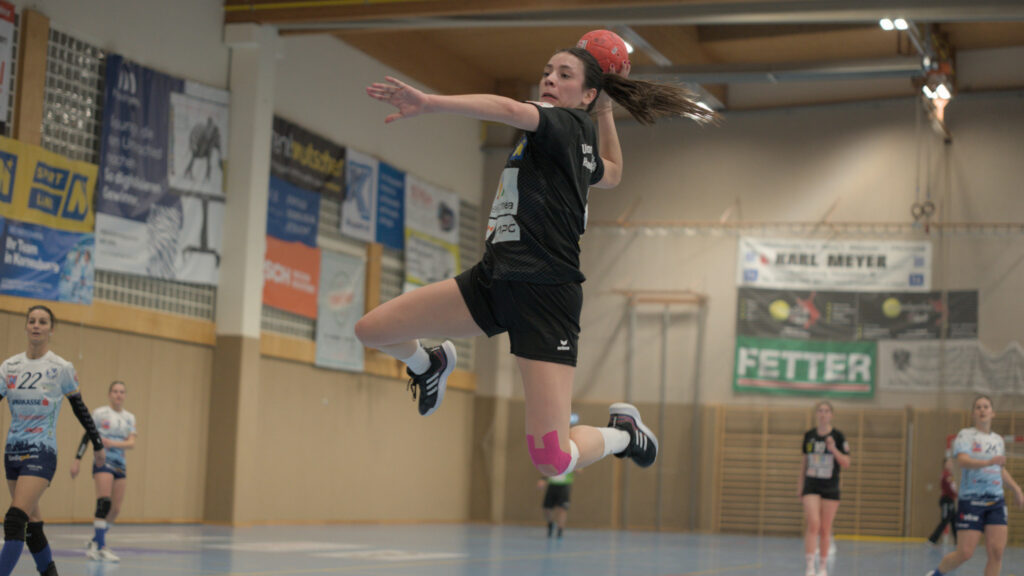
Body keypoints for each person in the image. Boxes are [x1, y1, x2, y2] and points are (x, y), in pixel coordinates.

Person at [357, 46, 715, 482]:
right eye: (547, 71)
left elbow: (508, 108)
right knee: (372, 330)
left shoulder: (562, 124)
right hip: (494, 280)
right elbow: (614, 172)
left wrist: (431, 103)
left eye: (564, 74)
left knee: (552, 460)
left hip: (546, 296)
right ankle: (428, 364)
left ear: (584, 94)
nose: (549, 79)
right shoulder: (571, 144)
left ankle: (622, 434)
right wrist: (603, 111)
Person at [0, 305, 106, 576]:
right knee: (32, 524)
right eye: (32, 321)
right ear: (26, 326)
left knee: (15, 520)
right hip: (12, 451)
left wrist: (97, 443)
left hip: (41, 452)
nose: (36, 325)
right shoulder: (10, 366)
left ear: (51, 329)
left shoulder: (60, 368)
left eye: (43, 322)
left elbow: (79, 408)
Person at [926, 395, 1024, 576]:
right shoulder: (966, 435)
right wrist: (989, 462)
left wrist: (1017, 489)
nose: (982, 410)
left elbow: (1000, 470)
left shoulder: (998, 440)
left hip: (996, 500)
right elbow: (963, 461)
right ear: (973, 413)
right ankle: (936, 573)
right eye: (978, 407)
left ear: (992, 413)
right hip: (971, 499)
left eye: (986, 407)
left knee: (996, 552)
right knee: (965, 553)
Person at [71, 380, 137, 562]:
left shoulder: (129, 418)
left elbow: (131, 443)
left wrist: (113, 443)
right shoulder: (100, 414)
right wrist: (77, 459)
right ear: (109, 394)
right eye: (115, 391)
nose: (118, 394)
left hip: (120, 464)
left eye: (122, 392)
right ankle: (101, 547)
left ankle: (95, 541)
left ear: (125, 395)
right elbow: (87, 436)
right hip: (103, 461)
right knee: (104, 503)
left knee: (115, 509)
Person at [798, 400, 851, 576]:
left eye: (826, 411)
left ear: (831, 415)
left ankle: (822, 567)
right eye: (820, 410)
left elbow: (846, 463)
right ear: (816, 414)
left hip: (830, 487)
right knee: (813, 523)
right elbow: (804, 463)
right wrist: (800, 486)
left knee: (825, 528)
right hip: (811, 485)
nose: (823, 413)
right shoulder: (809, 436)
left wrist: (833, 448)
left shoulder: (838, 436)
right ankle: (809, 566)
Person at [926, 456, 958, 546]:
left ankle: (958, 542)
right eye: (949, 463)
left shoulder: (950, 474)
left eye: (951, 463)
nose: (950, 464)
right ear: (945, 464)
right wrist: (956, 494)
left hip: (950, 500)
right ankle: (932, 539)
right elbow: (950, 488)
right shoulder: (946, 474)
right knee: (944, 521)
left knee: (954, 521)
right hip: (946, 501)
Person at [538, 468, 577, 539]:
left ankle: (560, 530)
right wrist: (543, 479)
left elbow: (579, 470)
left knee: (562, 509)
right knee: (547, 508)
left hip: (564, 486)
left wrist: (574, 467)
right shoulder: (552, 457)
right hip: (552, 485)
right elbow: (547, 468)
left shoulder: (571, 457)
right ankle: (550, 524)